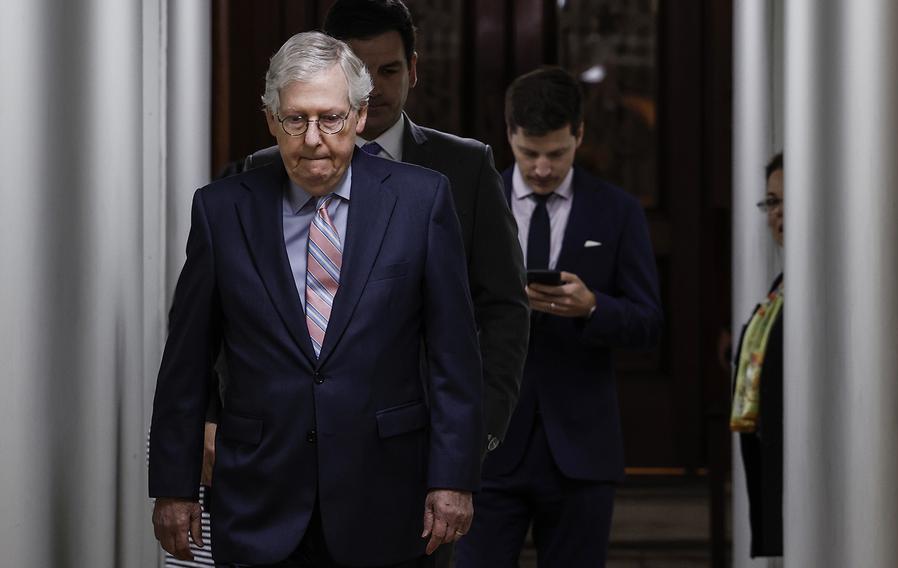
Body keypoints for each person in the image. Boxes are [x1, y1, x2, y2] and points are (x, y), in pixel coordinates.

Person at [148, 31, 483, 568]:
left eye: (329, 118)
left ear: (357, 115)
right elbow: (186, 360)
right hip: (260, 496)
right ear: (270, 120)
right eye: (295, 119)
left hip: (386, 496)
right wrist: (174, 485)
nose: (312, 139)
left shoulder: (422, 201)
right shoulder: (221, 210)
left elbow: (454, 358)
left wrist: (454, 478)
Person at [234, 0, 528, 456]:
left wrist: (482, 424)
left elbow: (503, 306)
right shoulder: (267, 169)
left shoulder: (465, 169)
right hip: (290, 440)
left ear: (413, 69)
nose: (373, 90)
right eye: (360, 73)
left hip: (426, 438)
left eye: (389, 71)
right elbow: (233, 308)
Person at [455, 67, 663, 567]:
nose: (542, 168)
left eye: (556, 153)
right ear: (508, 135)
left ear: (580, 135)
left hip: (581, 450)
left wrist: (593, 307)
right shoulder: (469, 206)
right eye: (529, 154)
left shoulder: (618, 212)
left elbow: (649, 323)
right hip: (488, 445)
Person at [730, 152, 784, 558]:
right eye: (772, 201)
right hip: (770, 448)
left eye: (789, 201)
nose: (779, 214)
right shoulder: (782, 284)